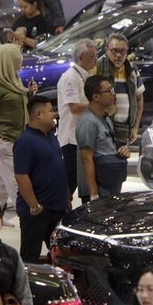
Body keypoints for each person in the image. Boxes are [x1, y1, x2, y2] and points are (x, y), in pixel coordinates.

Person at [13, 96, 68, 263]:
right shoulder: (25, 141)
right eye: (50, 110)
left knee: (60, 255)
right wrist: (34, 206)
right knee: (30, 256)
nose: (54, 114)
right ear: (38, 114)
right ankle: (25, 289)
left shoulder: (51, 136)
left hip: (56, 209)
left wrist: (65, 197)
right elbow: (21, 176)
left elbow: (58, 167)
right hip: (37, 212)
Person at [0, 43, 35, 210]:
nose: (20, 61)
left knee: (3, 180)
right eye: (17, 58)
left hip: (18, 139)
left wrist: (29, 93)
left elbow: (19, 101)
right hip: (5, 141)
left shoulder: (14, 79)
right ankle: (24, 212)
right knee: (15, 181)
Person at [77, 75, 129, 202]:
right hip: (100, 191)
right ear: (96, 97)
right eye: (109, 91)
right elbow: (86, 158)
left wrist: (122, 151)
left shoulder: (105, 119)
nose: (113, 94)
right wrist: (94, 193)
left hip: (111, 186)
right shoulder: (88, 122)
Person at [56, 39, 96, 198]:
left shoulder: (85, 75)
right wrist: (97, 104)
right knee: (69, 181)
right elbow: (73, 107)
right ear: (81, 57)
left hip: (82, 136)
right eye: (92, 56)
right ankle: (59, 214)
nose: (95, 59)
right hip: (71, 139)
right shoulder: (70, 78)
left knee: (84, 180)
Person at [95, 33, 143, 145]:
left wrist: (135, 127)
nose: (118, 55)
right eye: (114, 50)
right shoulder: (97, 68)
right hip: (102, 128)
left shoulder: (132, 71)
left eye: (122, 51)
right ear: (107, 50)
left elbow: (139, 100)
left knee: (119, 161)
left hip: (124, 129)